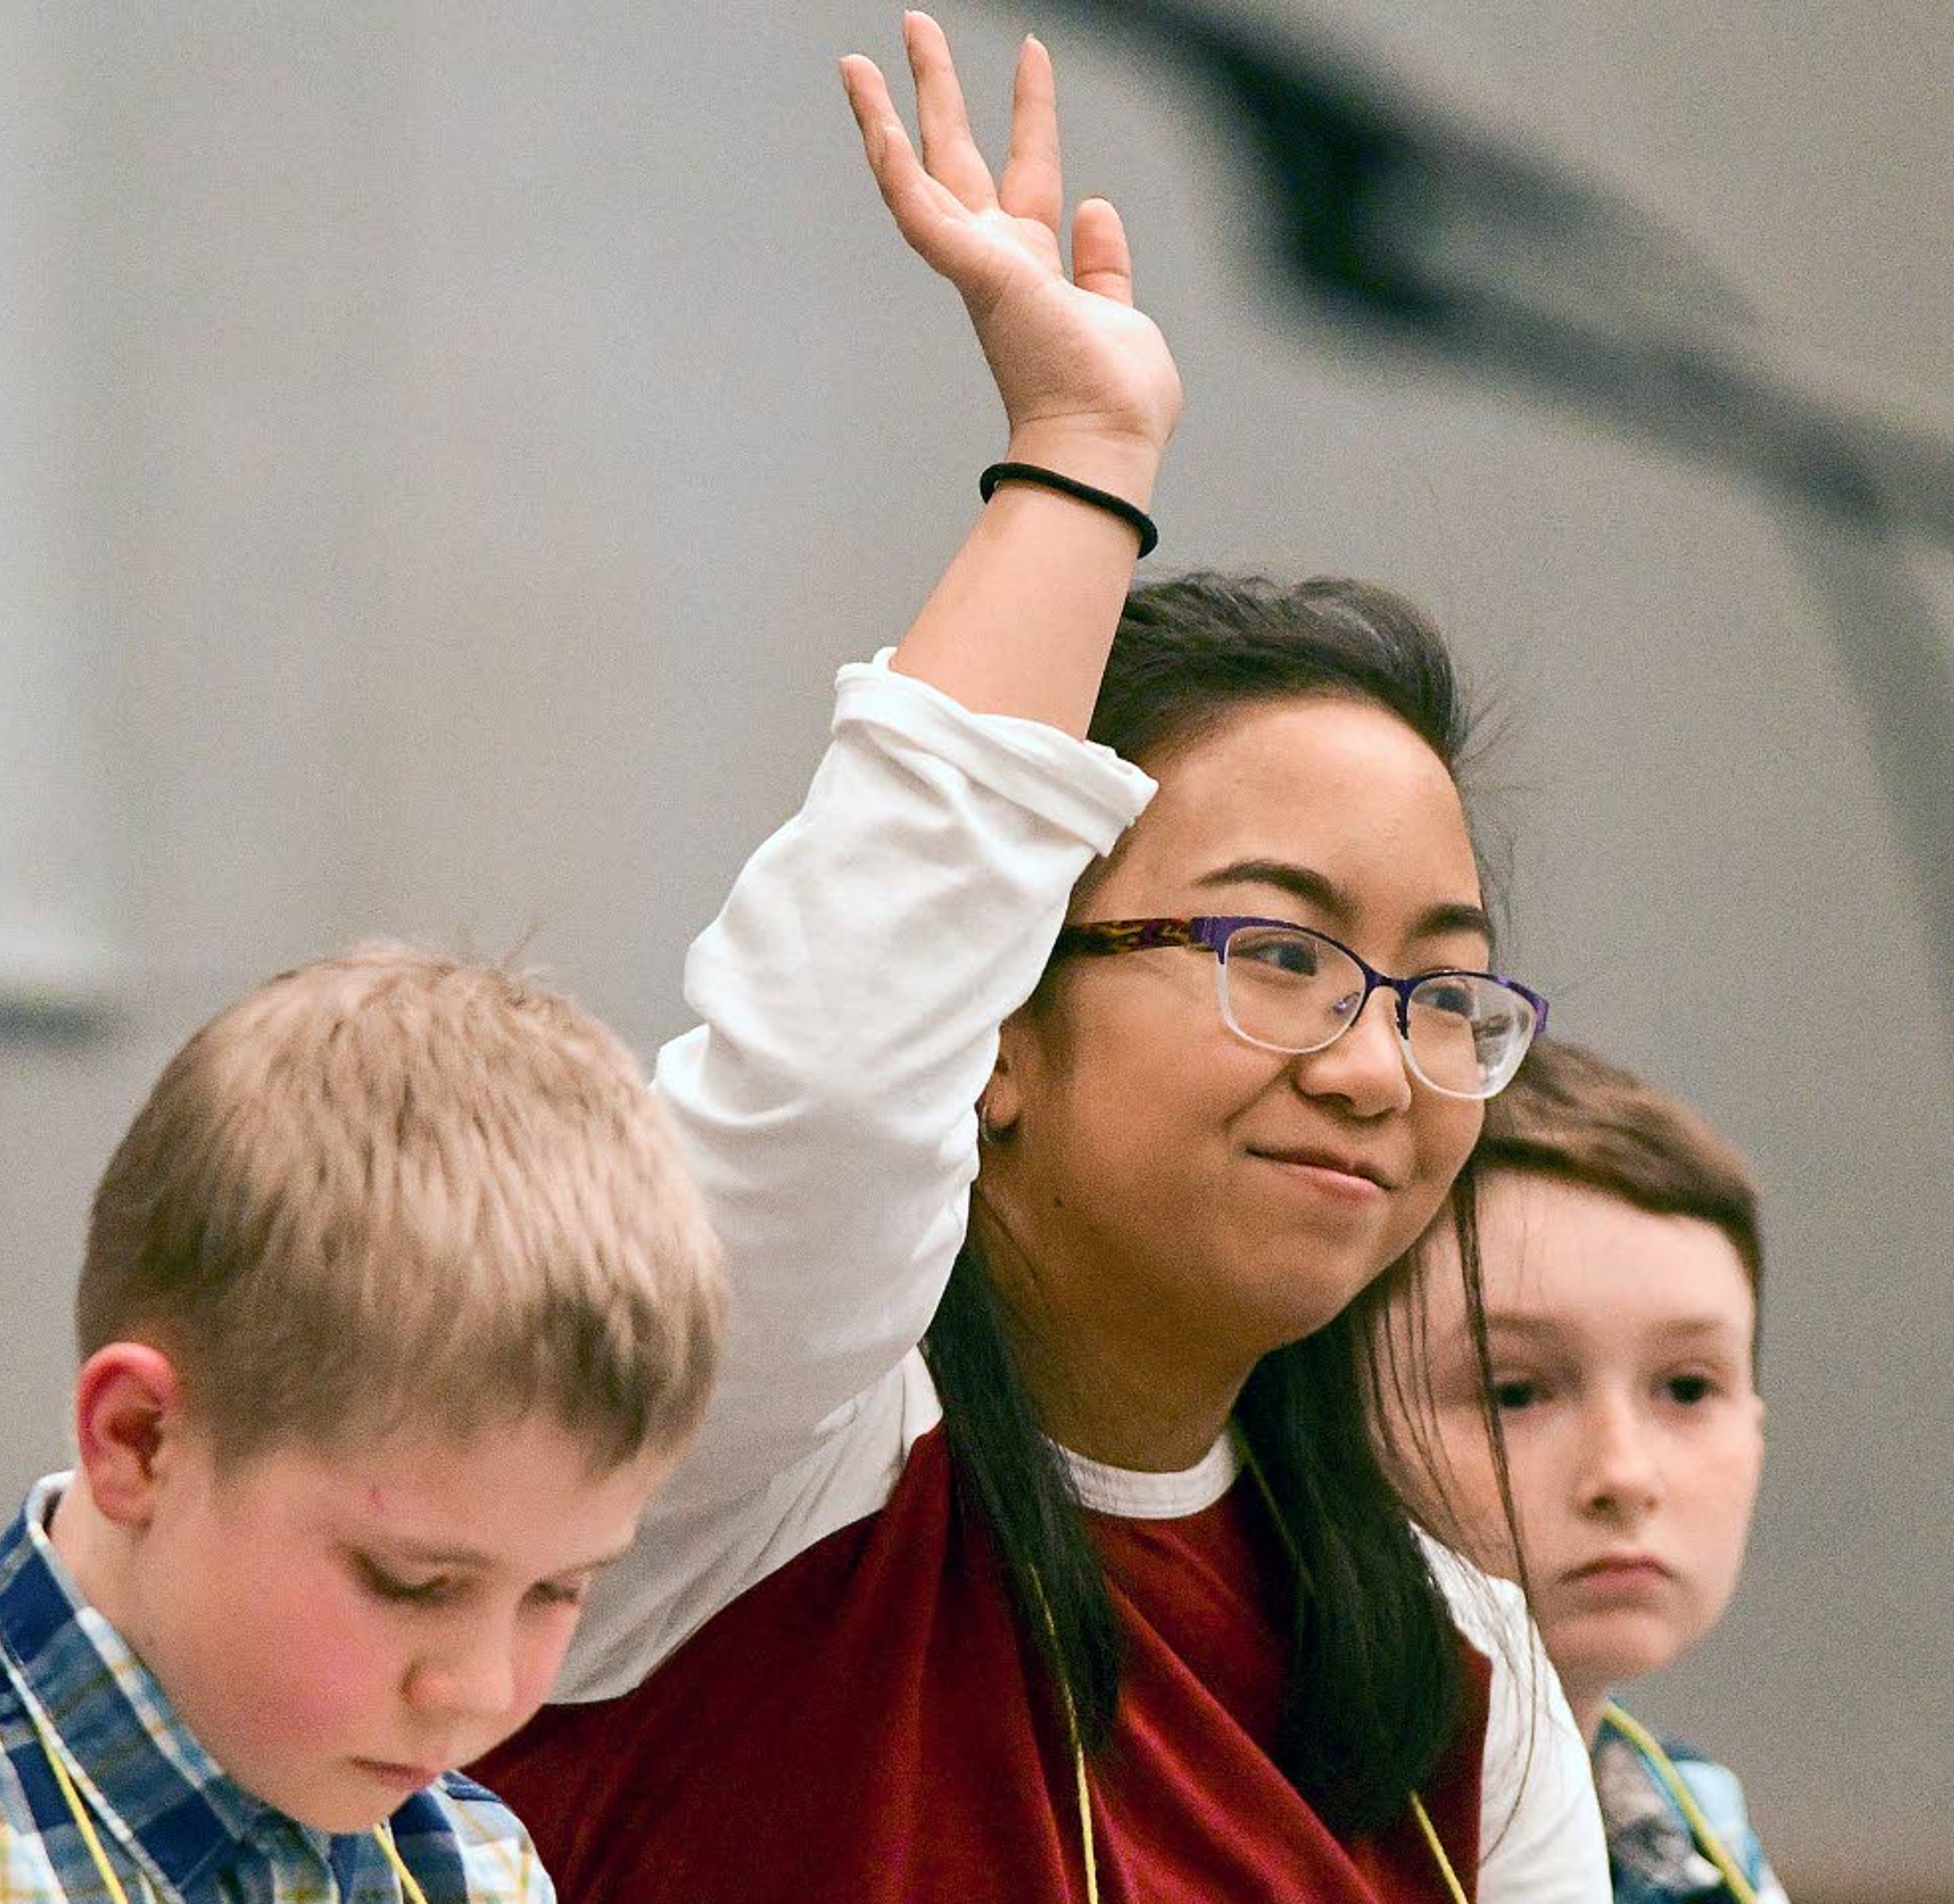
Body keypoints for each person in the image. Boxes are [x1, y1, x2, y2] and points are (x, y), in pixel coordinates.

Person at [476, 15, 1606, 1900]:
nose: (1374, 1067)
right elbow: (827, 1089)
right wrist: (1083, 456)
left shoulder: (1455, 1663)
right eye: (1283, 953)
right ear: (998, 1018)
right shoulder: (766, 1466)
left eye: (1439, 990)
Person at [0, 946, 724, 1904]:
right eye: (412, 1581)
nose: (480, 1689)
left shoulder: (476, 1867)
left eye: (558, 1592)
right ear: (139, 1440)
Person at [1381, 1039, 1784, 1903]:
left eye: (1687, 1387)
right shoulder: (1274, 1831)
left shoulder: (1692, 1831)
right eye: (1516, 1392)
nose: (1624, 1475)